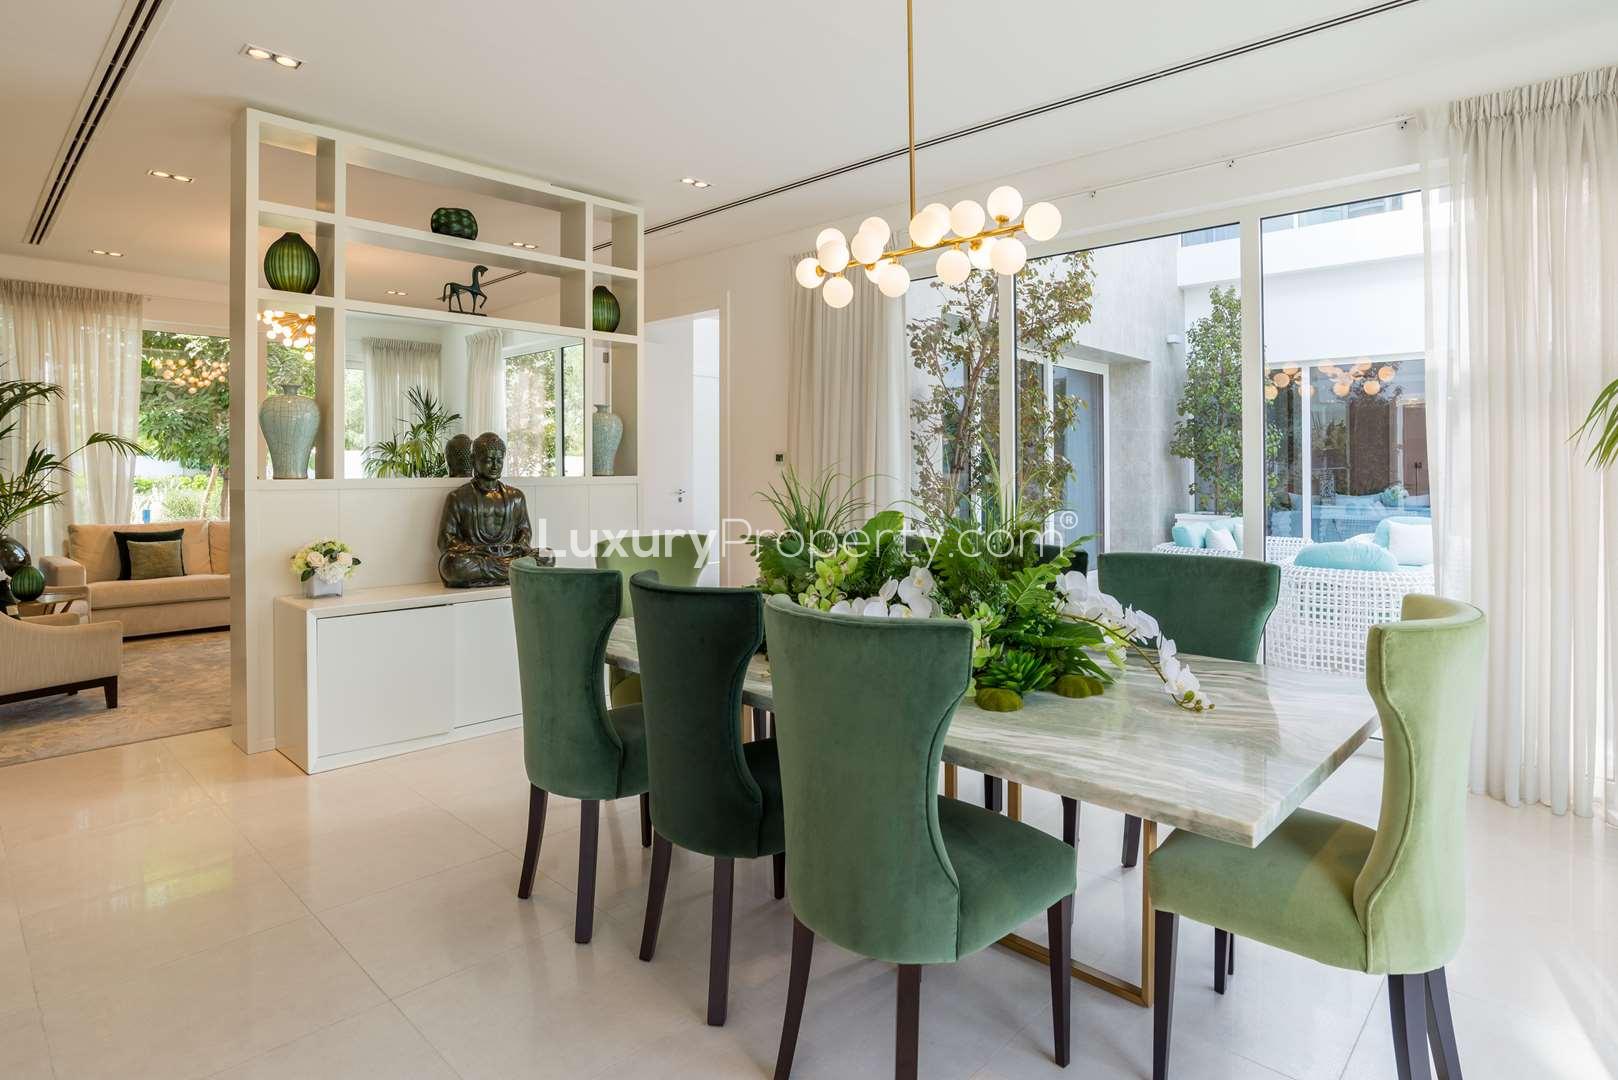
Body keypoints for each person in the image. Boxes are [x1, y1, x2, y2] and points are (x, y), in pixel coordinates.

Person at [436, 433, 551, 587]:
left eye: (499, 460)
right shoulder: (458, 497)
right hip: (478, 557)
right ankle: (515, 572)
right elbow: (445, 539)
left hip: (509, 554)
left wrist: (517, 546)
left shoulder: (515, 496)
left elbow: (525, 532)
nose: (495, 466)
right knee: (451, 564)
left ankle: (510, 570)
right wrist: (477, 550)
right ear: (473, 460)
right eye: (488, 460)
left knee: (547, 555)